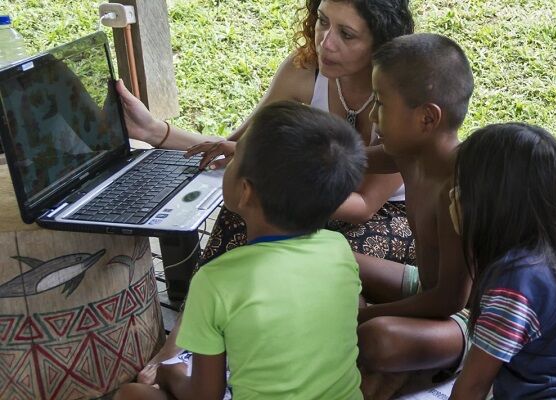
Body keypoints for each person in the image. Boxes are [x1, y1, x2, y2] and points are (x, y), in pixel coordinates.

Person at [118, 0, 416, 266]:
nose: (326, 42)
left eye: (346, 34)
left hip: (388, 214)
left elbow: (363, 206)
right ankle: (205, 310)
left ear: (380, 42)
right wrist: (153, 131)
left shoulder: (402, 96)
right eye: (323, 21)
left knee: (320, 260)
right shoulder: (305, 69)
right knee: (244, 205)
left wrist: (275, 174)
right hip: (310, 195)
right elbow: (233, 146)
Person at [114, 102, 367, 400]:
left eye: (234, 160)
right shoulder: (338, 249)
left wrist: (172, 373)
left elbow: (204, 397)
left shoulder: (216, 280)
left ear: (245, 192)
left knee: (131, 395)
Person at [448, 123, 556, 399]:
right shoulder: (551, 256)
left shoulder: (516, 280)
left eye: (461, 187)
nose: (453, 196)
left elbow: (472, 386)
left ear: (493, 204)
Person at [350, 33, 474, 400]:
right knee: (331, 257)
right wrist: (244, 149)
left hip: (470, 317)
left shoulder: (461, 186)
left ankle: (408, 367)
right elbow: (341, 156)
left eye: (381, 104)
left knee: (378, 340)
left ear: (426, 118)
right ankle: (400, 373)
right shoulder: (408, 153)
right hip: (425, 287)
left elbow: (451, 300)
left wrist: (360, 317)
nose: (372, 115)